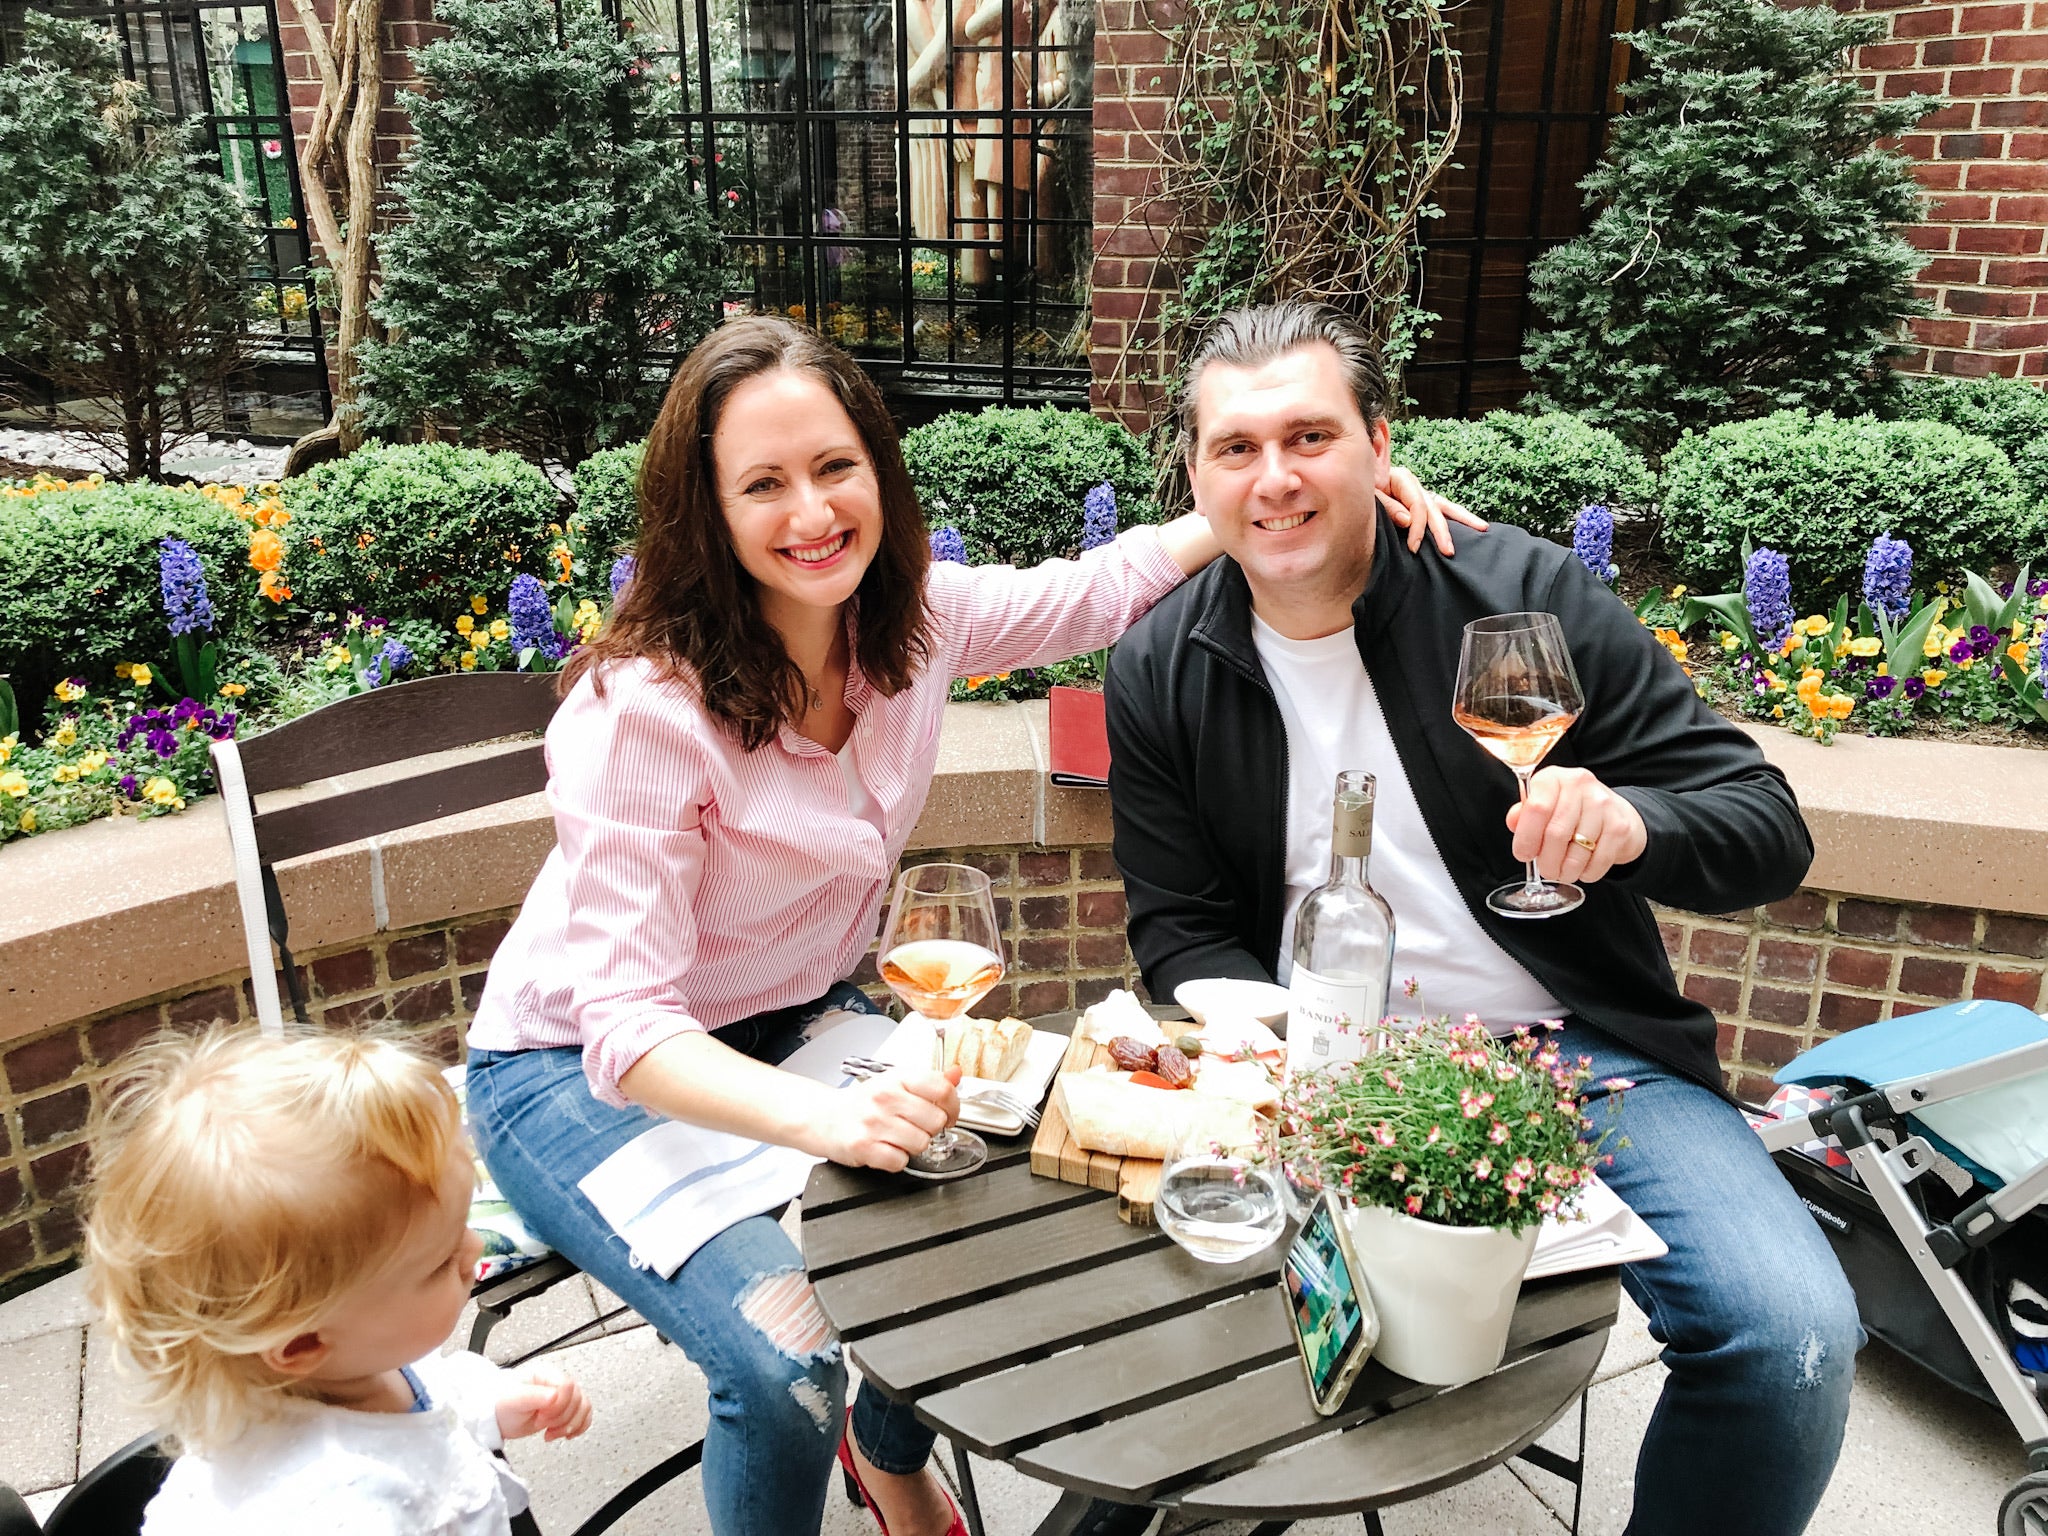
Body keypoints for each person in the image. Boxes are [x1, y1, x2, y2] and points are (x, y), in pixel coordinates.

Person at [461, 315, 1474, 1536]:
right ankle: (826, 1431)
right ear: (704, 512)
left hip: (799, 1023)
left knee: (976, 1228)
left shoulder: (916, 624)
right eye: (762, 485)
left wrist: (1299, 495)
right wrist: (832, 1117)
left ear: (879, 471)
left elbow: (1097, 588)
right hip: (574, 1072)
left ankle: (880, 1461)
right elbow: (626, 1028)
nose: (810, 513)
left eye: (835, 468)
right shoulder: (645, 711)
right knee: (782, 1363)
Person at [1104, 302, 1861, 1536]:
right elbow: (1181, 932)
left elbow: (1762, 822)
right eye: (1234, 448)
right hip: (1322, 1069)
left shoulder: (1517, 599)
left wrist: (1631, 825)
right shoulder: (1159, 669)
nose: (1275, 477)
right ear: (1195, 473)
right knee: (1192, 1349)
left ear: (1377, 445)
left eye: (1309, 436)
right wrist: (1275, 1070)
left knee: (1791, 1342)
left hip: (1582, 1054)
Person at [84, 1028, 593, 1536]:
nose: (475, 1248)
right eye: (440, 1261)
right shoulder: (339, 1511)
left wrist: (491, 1404)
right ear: (303, 1342)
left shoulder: (345, 1367)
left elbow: (425, 1388)